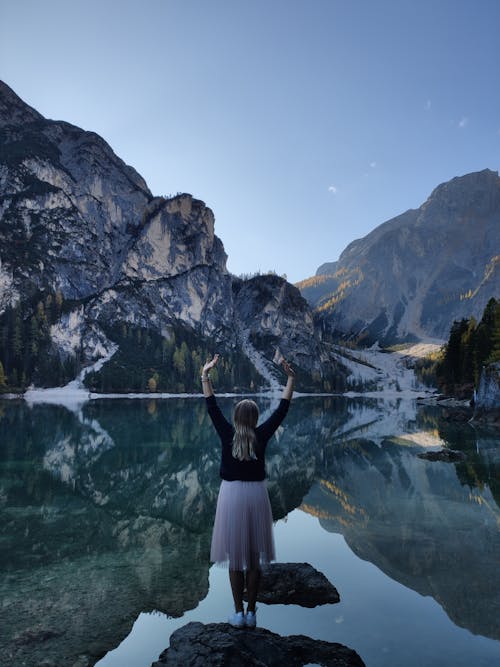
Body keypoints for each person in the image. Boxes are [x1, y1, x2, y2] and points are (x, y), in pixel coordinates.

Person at [201, 353, 295, 629]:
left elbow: (211, 405)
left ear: (236, 417)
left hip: (230, 496)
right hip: (256, 496)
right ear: (254, 418)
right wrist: (290, 378)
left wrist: (205, 375)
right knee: (253, 558)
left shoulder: (226, 433)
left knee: (234, 559)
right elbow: (282, 409)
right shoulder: (262, 435)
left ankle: (238, 612)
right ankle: (253, 613)